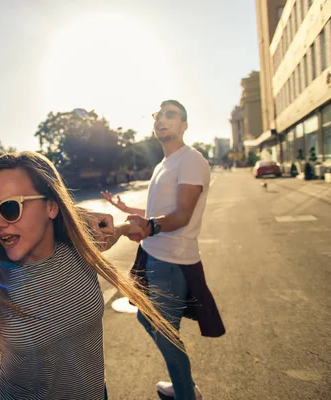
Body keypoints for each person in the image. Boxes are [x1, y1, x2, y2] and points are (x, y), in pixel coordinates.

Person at [0, 151, 182, 400]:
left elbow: (113, 230)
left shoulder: (81, 246)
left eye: (10, 208)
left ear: (51, 206)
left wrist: (131, 226)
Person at [102, 100, 225, 400]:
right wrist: (126, 208)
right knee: (148, 319)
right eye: (158, 115)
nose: (162, 120)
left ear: (184, 125)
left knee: (167, 336)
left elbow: (182, 214)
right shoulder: (163, 164)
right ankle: (184, 385)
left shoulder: (191, 159)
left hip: (171, 262)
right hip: (152, 256)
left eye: (171, 115)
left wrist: (149, 227)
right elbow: (158, 210)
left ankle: (185, 392)